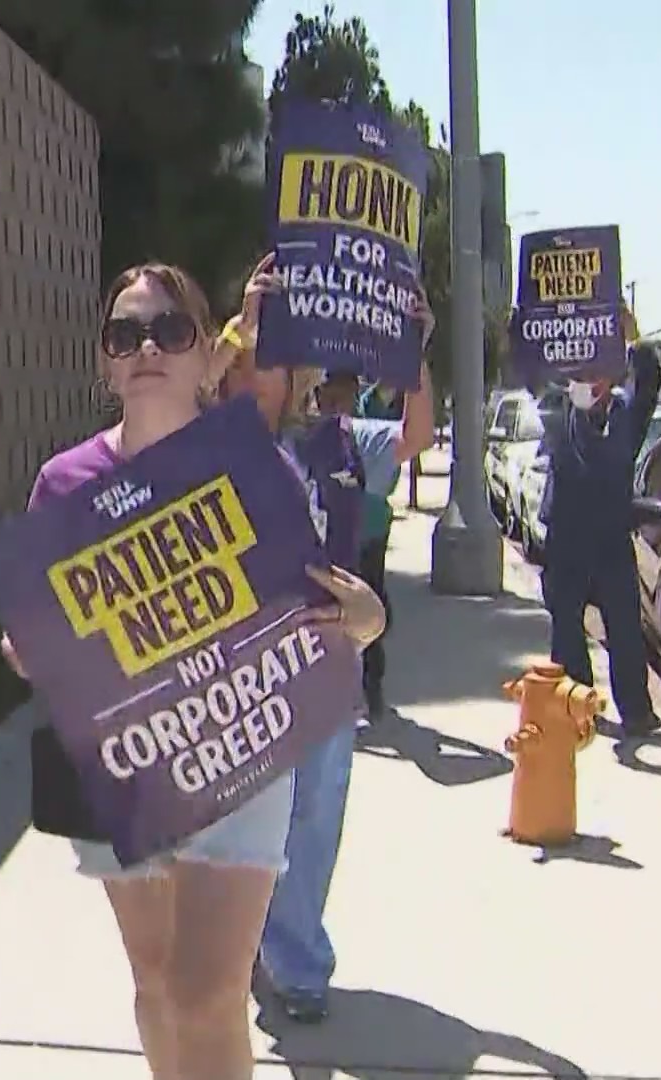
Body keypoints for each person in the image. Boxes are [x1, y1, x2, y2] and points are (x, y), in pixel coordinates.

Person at [5, 262, 385, 1080]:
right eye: (125, 334)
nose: (147, 348)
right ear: (106, 362)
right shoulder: (62, 485)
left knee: (206, 993)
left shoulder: (255, 469)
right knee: (156, 986)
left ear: (203, 353)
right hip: (127, 767)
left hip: (240, 758)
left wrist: (369, 619)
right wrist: (31, 651)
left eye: (168, 331)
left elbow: (324, 605)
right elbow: (37, 632)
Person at [219, 256, 434, 1025]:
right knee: (245, 815)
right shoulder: (225, 436)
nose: (281, 366)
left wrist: (413, 351)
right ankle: (243, 945)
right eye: (266, 353)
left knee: (314, 814)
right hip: (241, 667)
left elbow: (418, 434)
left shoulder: (344, 441)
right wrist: (243, 321)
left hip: (325, 660)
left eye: (290, 351)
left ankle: (298, 959)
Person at [537, 342, 661, 737]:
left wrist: (633, 340)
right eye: (582, 375)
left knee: (625, 629)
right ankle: (579, 704)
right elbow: (532, 367)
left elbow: (649, 384)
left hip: (611, 538)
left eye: (597, 374)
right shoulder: (559, 411)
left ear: (612, 378)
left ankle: (636, 713)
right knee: (567, 627)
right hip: (566, 539)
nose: (589, 383)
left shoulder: (626, 416)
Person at [313, 366, 435, 718]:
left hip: (367, 538)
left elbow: (417, 435)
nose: (336, 400)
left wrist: (414, 355)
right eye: (328, 392)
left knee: (371, 614)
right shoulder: (276, 432)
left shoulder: (355, 435)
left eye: (344, 392)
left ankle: (371, 690)